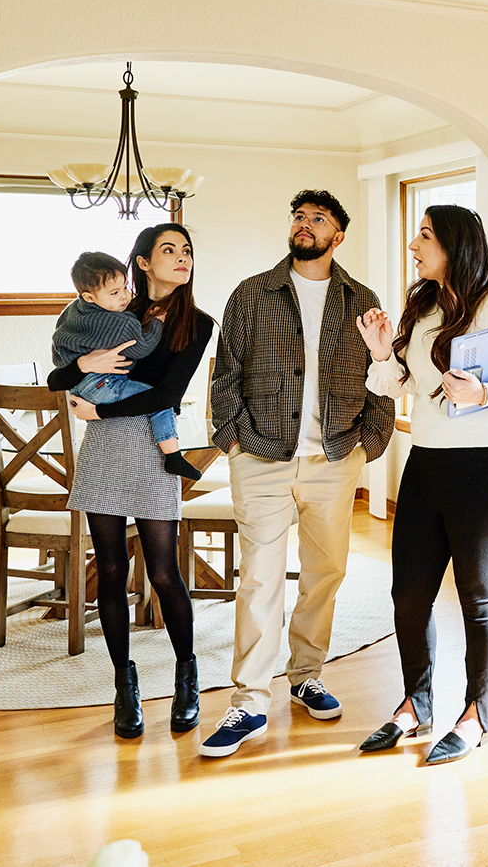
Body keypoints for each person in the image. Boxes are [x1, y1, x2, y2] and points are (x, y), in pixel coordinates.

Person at [355, 203, 488, 765]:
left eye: (424, 236)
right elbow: (405, 386)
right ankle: (416, 705)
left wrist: (486, 392)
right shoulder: (421, 305)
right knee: (409, 593)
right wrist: (379, 350)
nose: (414, 245)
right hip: (425, 463)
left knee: (477, 595)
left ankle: (477, 714)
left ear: (455, 243)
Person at [198, 190, 395, 758]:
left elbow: (384, 370)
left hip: (334, 459)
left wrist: (368, 443)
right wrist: (233, 440)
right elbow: (225, 373)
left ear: (338, 236)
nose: (305, 226)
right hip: (261, 455)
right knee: (259, 576)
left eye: (319, 220)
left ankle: (306, 672)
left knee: (325, 571)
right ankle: (250, 701)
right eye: (300, 217)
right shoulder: (253, 293)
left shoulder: (361, 300)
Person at [47, 223, 214, 740]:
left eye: (187, 250)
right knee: (113, 571)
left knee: (164, 573)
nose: (182, 258)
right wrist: (85, 364)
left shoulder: (198, 323)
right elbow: (56, 380)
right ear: (142, 262)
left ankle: (187, 673)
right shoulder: (115, 310)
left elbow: (167, 393)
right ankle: (125, 682)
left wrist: (95, 408)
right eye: (169, 250)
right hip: (104, 455)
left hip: (152, 450)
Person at [53, 251, 202, 481]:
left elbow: (58, 368)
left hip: (83, 389)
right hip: (103, 387)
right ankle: (173, 456)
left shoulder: (73, 311)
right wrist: (155, 324)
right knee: (161, 404)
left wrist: (82, 367)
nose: (125, 296)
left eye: (125, 287)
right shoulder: (118, 321)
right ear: (143, 262)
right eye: (115, 292)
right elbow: (141, 348)